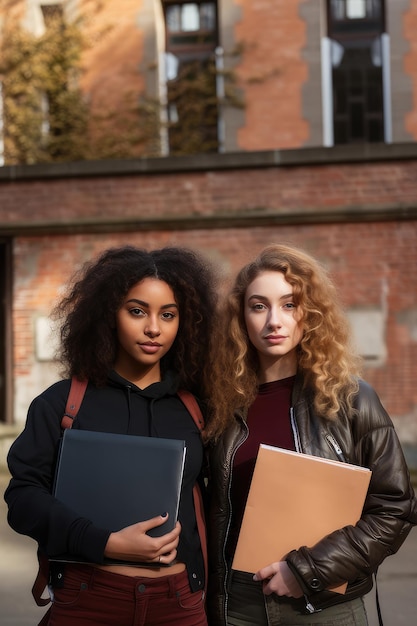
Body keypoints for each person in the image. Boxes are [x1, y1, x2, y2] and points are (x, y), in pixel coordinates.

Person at [204, 243, 417, 626]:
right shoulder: (219, 403)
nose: (274, 320)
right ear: (241, 317)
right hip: (237, 607)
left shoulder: (352, 400)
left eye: (289, 305)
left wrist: (307, 570)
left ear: (311, 313)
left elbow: (395, 509)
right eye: (258, 306)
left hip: (324, 606)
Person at [4, 245, 218, 626]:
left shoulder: (197, 409)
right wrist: (103, 542)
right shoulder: (62, 403)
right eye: (137, 311)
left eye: (168, 315)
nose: (153, 327)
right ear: (108, 315)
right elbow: (23, 498)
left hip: (180, 605)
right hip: (90, 600)